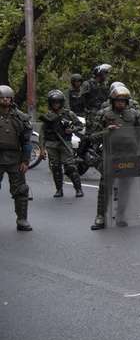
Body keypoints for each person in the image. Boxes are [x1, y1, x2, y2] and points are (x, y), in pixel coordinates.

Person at [91, 86, 140, 230]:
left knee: (125, 187)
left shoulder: (135, 114)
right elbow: (92, 136)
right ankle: (101, 216)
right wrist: (106, 131)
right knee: (105, 187)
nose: (120, 103)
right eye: (118, 100)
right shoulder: (104, 114)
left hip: (129, 155)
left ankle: (121, 215)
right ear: (112, 101)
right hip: (110, 155)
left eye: (123, 100)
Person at [40, 90, 84, 198]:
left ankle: (78, 189)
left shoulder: (69, 114)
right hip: (51, 144)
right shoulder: (47, 116)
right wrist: (42, 149)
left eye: (58, 102)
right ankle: (59, 190)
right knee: (55, 167)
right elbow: (42, 134)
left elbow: (80, 125)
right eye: (54, 102)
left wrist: (71, 130)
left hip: (65, 143)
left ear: (61, 103)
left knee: (70, 167)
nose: (56, 104)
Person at [0, 85, 33, 231]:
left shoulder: (20, 117)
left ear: (12, 99)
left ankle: (22, 219)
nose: (5, 100)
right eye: (2, 97)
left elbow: (26, 141)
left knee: (21, 190)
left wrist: (25, 161)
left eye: (8, 97)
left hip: (15, 157)